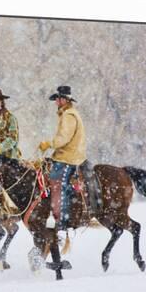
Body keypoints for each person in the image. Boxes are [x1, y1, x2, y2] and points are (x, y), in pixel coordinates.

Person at [38, 85, 86, 230]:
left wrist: (49, 144)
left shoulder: (69, 115)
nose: (56, 102)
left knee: (58, 181)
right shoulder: (67, 114)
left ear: (65, 100)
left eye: (58, 99)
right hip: (64, 155)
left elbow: (63, 138)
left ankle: (63, 221)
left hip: (68, 157)